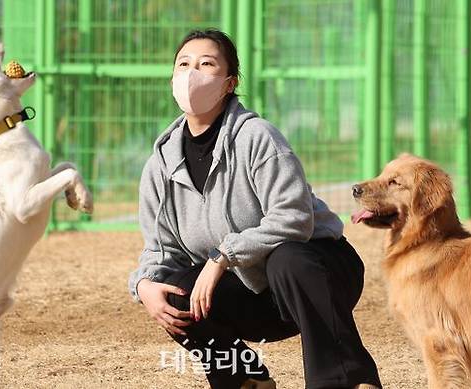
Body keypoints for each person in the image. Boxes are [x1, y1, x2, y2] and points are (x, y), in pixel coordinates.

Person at [128, 28, 382, 389]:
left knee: (287, 257)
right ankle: (244, 378)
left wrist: (222, 256)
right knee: (172, 287)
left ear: (229, 83)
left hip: (316, 275)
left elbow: (294, 219)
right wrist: (144, 285)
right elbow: (160, 249)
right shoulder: (160, 164)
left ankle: (347, 380)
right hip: (252, 293)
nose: (191, 74)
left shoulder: (257, 136)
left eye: (206, 64)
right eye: (183, 64)